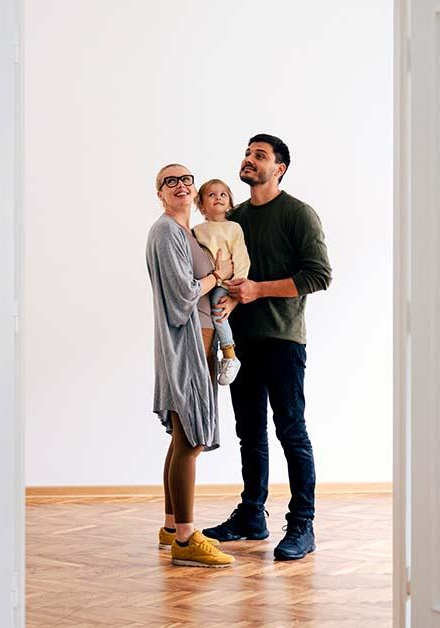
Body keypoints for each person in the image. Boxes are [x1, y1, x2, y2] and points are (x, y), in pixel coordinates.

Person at [202, 134, 333, 561]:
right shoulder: (233, 218)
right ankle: (252, 516)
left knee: (291, 432)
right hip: (240, 344)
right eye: (247, 153)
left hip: (282, 341)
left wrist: (258, 290)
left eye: (260, 155)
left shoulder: (298, 214)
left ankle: (302, 525)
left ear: (279, 168)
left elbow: (318, 275)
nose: (249, 159)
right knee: (249, 434)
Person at [145, 163, 235, 568]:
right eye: (170, 181)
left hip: (198, 346)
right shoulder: (165, 232)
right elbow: (182, 296)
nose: (179, 185)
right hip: (185, 347)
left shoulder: (187, 234)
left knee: (182, 438)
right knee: (191, 441)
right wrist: (218, 277)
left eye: (186, 180)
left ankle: (170, 527)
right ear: (159, 192)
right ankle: (185, 538)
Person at [191, 178, 250, 385]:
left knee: (218, 313)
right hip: (205, 283)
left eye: (223, 194)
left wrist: (237, 286)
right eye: (211, 195)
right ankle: (216, 353)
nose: (218, 197)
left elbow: (242, 257)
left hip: (225, 284)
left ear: (230, 203)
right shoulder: (197, 230)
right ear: (200, 205)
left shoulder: (234, 228)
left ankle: (230, 354)